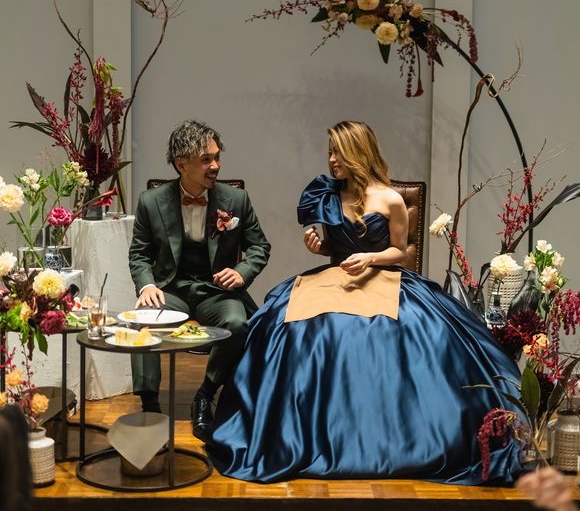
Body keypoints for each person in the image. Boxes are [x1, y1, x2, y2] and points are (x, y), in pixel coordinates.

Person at [207, 120, 523, 484]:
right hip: (333, 276)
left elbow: (399, 251)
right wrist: (319, 247)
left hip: (382, 277)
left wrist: (370, 258)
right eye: (330, 152)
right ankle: (290, 429)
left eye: (338, 152)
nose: (331, 160)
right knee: (291, 325)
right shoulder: (327, 195)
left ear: (358, 152)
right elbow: (333, 247)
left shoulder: (390, 199)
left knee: (397, 330)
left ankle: (381, 432)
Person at [128, 119, 271, 440]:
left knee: (237, 323)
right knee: (142, 320)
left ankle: (206, 393)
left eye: (217, 157)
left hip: (215, 292)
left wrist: (242, 272)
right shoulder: (151, 201)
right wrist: (147, 284)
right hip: (171, 289)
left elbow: (260, 247)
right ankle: (150, 404)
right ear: (182, 165)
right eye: (206, 159)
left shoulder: (236, 200)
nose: (215, 165)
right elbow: (139, 254)